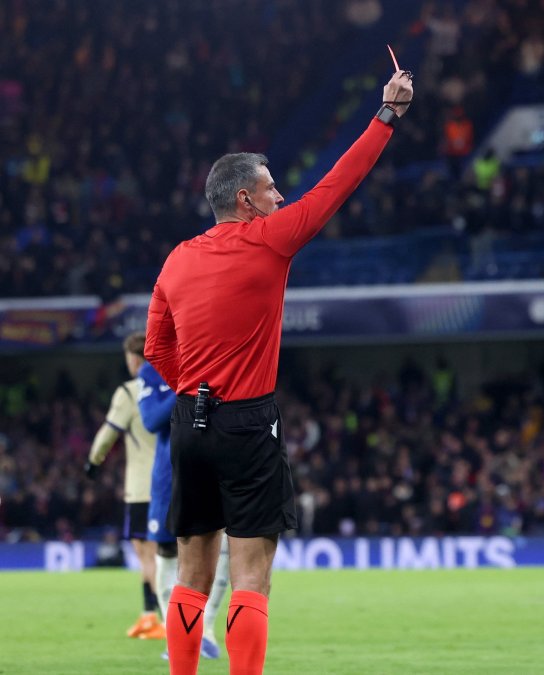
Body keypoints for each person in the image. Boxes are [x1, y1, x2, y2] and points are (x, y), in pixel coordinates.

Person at [143, 67, 414, 675]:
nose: (280, 197)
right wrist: (387, 115)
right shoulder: (269, 240)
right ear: (245, 200)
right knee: (251, 575)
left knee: (190, 570)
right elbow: (336, 186)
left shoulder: (177, 259)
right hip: (246, 424)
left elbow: (157, 349)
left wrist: (194, 385)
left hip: (190, 422)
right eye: (270, 189)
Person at [138, 361, 231, 661]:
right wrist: (188, 390)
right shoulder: (152, 370)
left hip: (217, 466)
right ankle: (175, 633)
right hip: (170, 474)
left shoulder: (215, 357)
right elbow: (151, 419)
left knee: (225, 547)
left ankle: (206, 630)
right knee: (166, 553)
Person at [84, 332, 164, 641]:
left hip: (143, 488)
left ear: (133, 360)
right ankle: (149, 615)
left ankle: (165, 620)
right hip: (173, 482)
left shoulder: (130, 392)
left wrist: (93, 462)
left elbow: (108, 434)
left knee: (150, 556)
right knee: (165, 554)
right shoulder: (171, 386)